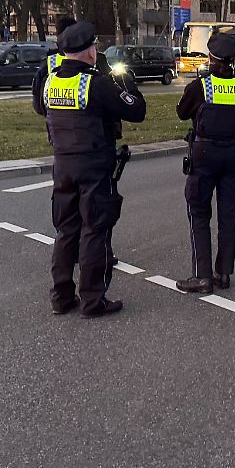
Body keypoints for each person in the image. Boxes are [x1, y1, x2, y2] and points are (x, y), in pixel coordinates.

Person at [33, 21, 147, 318]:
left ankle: (61, 296)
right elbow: (136, 111)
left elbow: (42, 109)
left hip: (63, 164)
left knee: (66, 230)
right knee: (94, 229)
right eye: (94, 47)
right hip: (95, 165)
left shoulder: (51, 81)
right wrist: (127, 82)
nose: (96, 51)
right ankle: (93, 300)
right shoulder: (96, 83)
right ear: (88, 52)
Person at [175, 33, 235, 294]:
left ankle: (203, 276)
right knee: (228, 215)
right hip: (234, 154)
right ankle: (224, 273)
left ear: (211, 58)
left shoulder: (201, 86)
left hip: (205, 153)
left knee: (198, 212)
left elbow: (182, 111)